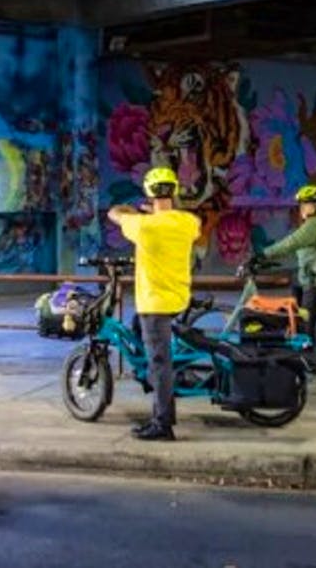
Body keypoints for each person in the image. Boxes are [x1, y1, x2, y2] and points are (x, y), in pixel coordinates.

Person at [108, 166, 201, 441]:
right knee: (138, 330)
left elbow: (114, 214)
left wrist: (132, 211)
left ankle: (163, 424)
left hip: (154, 303)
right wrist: (156, 213)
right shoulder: (187, 222)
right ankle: (156, 377)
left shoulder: (143, 226)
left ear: (148, 192)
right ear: (174, 190)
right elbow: (185, 221)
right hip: (178, 298)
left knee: (160, 363)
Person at [256, 184, 316, 338]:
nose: (302, 207)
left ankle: (308, 351)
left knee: (306, 326)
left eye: (306, 203)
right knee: (298, 320)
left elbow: (291, 243)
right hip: (309, 278)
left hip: (315, 281)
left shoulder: (314, 225)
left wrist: (263, 254)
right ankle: (297, 347)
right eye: (301, 204)